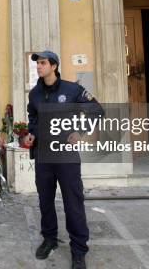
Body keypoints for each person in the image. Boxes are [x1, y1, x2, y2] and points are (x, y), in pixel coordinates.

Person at [25, 50, 103, 269]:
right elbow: (33, 116)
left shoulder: (72, 90)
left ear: (54, 66)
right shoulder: (35, 94)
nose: (38, 67)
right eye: (37, 64)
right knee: (45, 200)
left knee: (73, 202)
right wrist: (32, 133)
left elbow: (97, 111)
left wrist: (80, 131)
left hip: (66, 156)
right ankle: (49, 239)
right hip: (43, 156)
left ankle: (78, 249)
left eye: (42, 63)